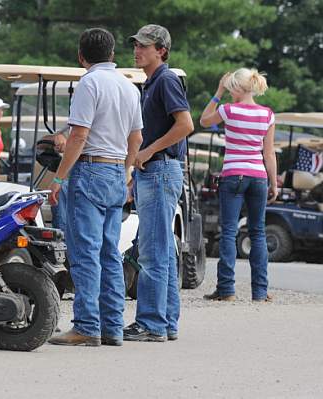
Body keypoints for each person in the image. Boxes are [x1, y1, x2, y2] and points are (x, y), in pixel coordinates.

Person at [47, 27, 143, 347]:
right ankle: (113, 326)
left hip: (90, 170)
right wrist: (126, 171)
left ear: (81, 56)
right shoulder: (130, 88)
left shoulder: (88, 83)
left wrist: (59, 177)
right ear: (113, 54)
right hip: (117, 171)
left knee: (85, 252)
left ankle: (87, 325)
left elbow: (78, 136)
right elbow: (137, 138)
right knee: (110, 252)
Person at [124, 24, 194, 342]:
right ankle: (166, 322)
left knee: (152, 251)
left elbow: (185, 124)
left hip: (161, 169)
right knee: (162, 250)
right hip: (157, 170)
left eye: (144, 46)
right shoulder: (152, 83)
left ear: (161, 50)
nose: (138, 50)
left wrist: (149, 150)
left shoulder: (164, 80)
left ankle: (152, 323)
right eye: (136, 45)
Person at [199, 68, 276, 302]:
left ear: (238, 89)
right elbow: (269, 153)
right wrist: (274, 182)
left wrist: (218, 91)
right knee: (258, 233)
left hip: (233, 175)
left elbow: (203, 120)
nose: (229, 91)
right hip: (259, 177)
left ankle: (226, 290)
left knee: (229, 232)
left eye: (231, 87)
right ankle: (260, 292)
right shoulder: (267, 114)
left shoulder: (228, 110)